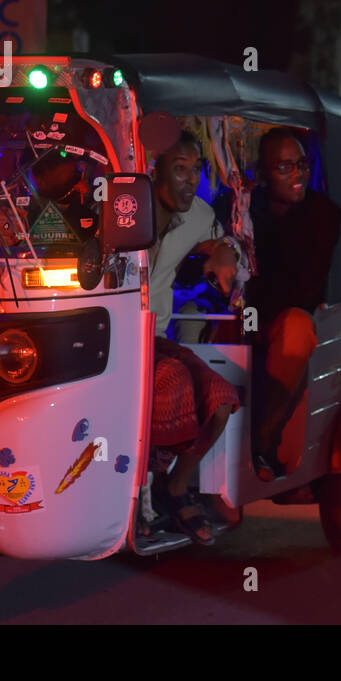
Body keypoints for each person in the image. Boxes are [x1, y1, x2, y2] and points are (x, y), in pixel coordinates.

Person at [215, 127, 341, 480]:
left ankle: (262, 443)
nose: (297, 174)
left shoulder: (322, 214)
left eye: (301, 164)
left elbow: (304, 286)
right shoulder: (240, 207)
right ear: (263, 174)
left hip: (283, 313)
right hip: (239, 310)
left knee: (296, 331)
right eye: (284, 168)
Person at [146, 130, 242, 543]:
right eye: (178, 169)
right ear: (155, 171)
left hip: (153, 339)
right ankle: (141, 502)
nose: (188, 180)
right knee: (170, 388)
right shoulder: (125, 210)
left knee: (220, 402)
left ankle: (175, 487)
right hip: (110, 338)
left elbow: (227, 240)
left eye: (195, 170)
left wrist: (225, 252)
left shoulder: (199, 215)